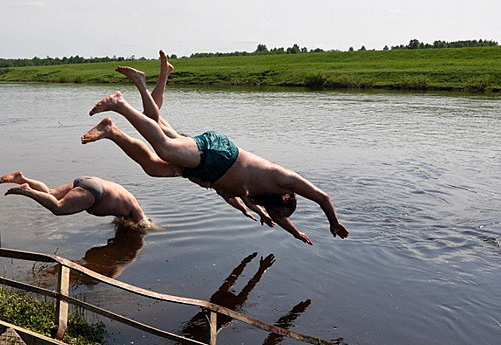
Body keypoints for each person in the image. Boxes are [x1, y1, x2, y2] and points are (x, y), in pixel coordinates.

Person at [81, 51, 349, 245]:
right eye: (278, 213)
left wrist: (296, 233)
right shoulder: (283, 180)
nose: (276, 217)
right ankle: (120, 104)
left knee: (155, 154)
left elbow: (272, 215)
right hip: (221, 155)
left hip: (207, 168)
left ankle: (115, 126)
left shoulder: (256, 196)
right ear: (284, 198)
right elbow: (322, 197)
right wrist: (332, 221)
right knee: (164, 146)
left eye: (276, 216)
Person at [0, 172, 150, 228]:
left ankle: (21, 178)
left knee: (51, 193)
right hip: (95, 191)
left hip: (89, 180)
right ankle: (27, 190)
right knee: (58, 207)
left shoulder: (128, 201)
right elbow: (143, 225)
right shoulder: (136, 211)